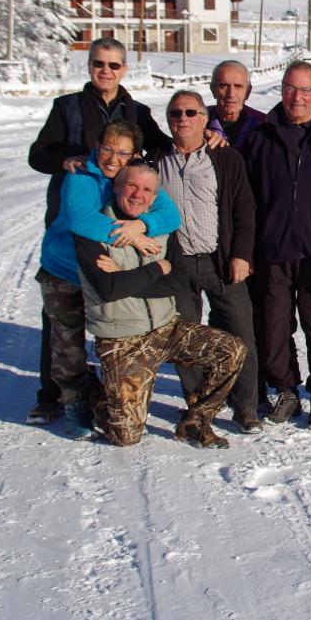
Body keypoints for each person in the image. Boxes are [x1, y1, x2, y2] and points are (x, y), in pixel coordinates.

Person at [26, 37, 170, 424]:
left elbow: (162, 148)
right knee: (61, 318)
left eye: (113, 65)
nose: (105, 71)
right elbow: (38, 154)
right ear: (89, 66)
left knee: (110, 313)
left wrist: (143, 219)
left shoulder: (136, 111)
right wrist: (67, 159)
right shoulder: (68, 108)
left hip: (115, 232)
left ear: (124, 69)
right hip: (73, 218)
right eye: (98, 64)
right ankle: (53, 394)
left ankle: (113, 392)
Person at [75, 163, 247, 449]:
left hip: (166, 329)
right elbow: (108, 289)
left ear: (155, 197)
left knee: (231, 349)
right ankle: (92, 390)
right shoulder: (90, 228)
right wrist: (159, 267)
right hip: (123, 337)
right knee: (126, 438)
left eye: (147, 190)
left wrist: (125, 276)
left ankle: (196, 421)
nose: (138, 195)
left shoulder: (162, 228)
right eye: (132, 186)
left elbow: (178, 282)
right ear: (116, 186)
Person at [36, 120, 182, 439]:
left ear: (133, 155)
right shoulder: (81, 175)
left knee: (110, 334)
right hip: (65, 270)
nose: (112, 158)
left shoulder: (134, 180)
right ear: (96, 146)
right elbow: (80, 220)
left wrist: (142, 225)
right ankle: (74, 400)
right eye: (107, 149)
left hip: (108, 270)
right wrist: (131, 237)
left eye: (122, 152)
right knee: (67, 341)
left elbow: (171, 216)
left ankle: (108, 393)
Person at [148, 90, 261, 434]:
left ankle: (246, 407)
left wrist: (241, 255)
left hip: (220, 260)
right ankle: (199, 407)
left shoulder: (226, 159)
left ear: (204, 118)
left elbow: (244, 209)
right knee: (186, 341)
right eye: (175, 113)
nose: (183, 119)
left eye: (191, 113)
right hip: (177, 264)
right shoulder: (153, 160)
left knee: (241, 333)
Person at [242, 61, 311, 430]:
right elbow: (247, 199)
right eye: (290, 88)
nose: (297, 97)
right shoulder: (260, 137)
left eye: (305, 90)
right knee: (272, 326)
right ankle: (286, 390)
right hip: (273, 249)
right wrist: (248, 248)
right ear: (281, 90)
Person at [205, 60, 268, 148]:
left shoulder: (264, 125)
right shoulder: (195, 119)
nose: (231, 94)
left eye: (238, 86)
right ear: (213, 90)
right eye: (224, 86)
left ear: (248, 92)